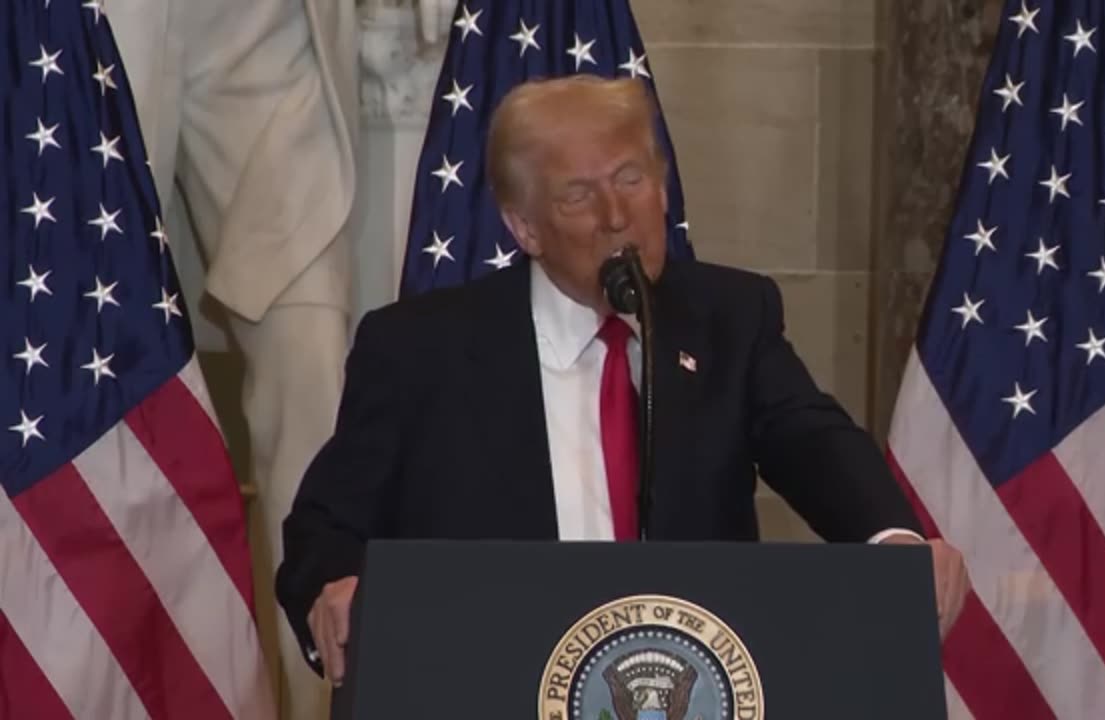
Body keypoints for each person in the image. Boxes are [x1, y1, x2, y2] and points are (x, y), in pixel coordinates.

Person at [275, 74, 970, 686]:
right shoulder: (420, 348)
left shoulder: (728, 317)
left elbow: (811, 438)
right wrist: (335, 591)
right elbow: (326, 524)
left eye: (632, 179)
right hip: (494, 685)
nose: (617, 216)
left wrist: (894, 545)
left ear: (662, 186)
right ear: (525, 227)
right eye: (579, 195)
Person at [107, 1, 358, 717]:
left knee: (313, 360)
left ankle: (324, 701)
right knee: (97, 365)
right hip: (105, 20)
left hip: (268, 27)